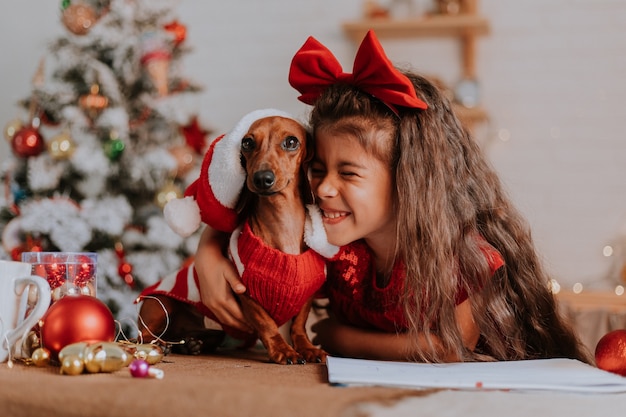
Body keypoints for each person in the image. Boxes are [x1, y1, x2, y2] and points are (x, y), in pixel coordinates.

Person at [196, 30, 591, 363]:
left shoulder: (462, 255)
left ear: (409, 180)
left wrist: (335, 336)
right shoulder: (332, 241)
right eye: (317, 170)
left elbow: (450, 349)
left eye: (348, 173)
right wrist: (208, 250)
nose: (324, 188)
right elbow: (252, 210)